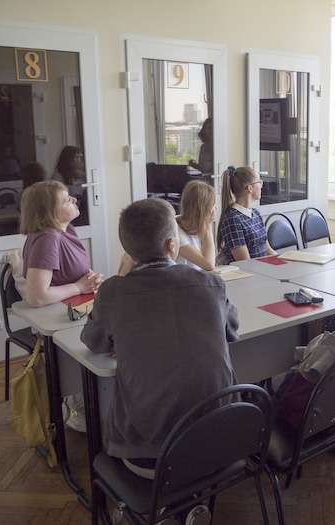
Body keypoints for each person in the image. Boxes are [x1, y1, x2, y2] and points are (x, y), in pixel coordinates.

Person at [80, 198, 238, 497]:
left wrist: (124, 335)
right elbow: (231, 329)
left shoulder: (114, 291)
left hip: (146, 455)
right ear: (172, 244)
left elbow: (94, 341)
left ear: (128, 251)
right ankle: (189, 504)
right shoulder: (211, 284)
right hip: (221, 442)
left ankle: (165, 507)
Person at [20, 180, 102, 308]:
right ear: (51, 213)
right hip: (61, 311)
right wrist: (78, 287)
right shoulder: (47, 238)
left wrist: (92, 279)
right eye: (67, 200)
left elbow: (78, 269)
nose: (74, 199)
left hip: (79, 303)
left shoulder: (68, 229)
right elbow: (37, 297)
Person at [216, 166, 275, 265]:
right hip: (248, 274)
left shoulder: (255, 213)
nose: (261, 186)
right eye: (259, 182)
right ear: (250, 188)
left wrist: (282, 261)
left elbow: (267, 248)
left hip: (263, 269)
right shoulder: (232, 219)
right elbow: (245, 263)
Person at [176, 180, 217, 271]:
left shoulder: (196, 226)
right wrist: (208, 227)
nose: (216, 208)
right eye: (213, 204)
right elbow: (209, 264)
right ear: (202, 208)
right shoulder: (176, 231)